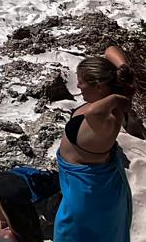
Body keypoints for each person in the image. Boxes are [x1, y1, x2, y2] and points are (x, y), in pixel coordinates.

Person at [54, 47, 135, 241]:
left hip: (86, 193)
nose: (79, 86)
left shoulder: (106, 115)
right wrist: (123, 68)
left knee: (69, 234)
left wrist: (115, 97)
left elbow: (92, 113)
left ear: (99, 87)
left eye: (81, 81)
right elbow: (110, 50)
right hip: (94, 184)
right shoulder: (105, 104)